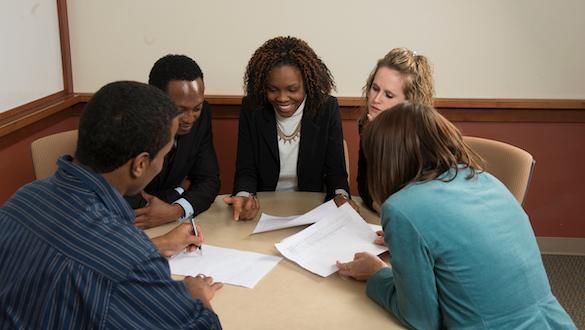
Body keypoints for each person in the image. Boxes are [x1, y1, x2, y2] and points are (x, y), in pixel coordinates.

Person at [0, 81, 223, 329]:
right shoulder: (132, 259)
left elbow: (74, 252)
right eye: (165, 153)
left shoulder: (21, 200)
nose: (163, 163)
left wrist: (156, 245)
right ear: (140, 165)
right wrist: (196, 295)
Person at [336, 103, 575, 329]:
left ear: (383, 161)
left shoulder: (401, 208)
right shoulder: (486, 180)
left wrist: (377, 273)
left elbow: (421, 320)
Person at [224, 36, 353, 221]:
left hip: (311, 209)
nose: (282, 98)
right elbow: (246, 169)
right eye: (273, 89)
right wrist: (244, 196)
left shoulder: (327, 108)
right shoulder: (253, 108)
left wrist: (341, 196)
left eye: (292, 89)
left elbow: (336, 172)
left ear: (308, 85)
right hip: (263, 210)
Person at [126, 54, 220, 229]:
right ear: (156, 100)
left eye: (196, 108)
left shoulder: (203, 115)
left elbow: (208, 180)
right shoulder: (130, 122)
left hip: (171, 223)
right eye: (180, 110)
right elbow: (123, 195)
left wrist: (175, 210)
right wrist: (180, 190)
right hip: (131, 226)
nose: (190, 118)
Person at [357, 48, 434, 212]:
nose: (376, 100)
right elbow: (364, 187)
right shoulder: (368, 123)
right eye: (375, 88)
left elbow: (421, 203)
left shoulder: (426, 138)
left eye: (389, 95)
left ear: (409, 103)